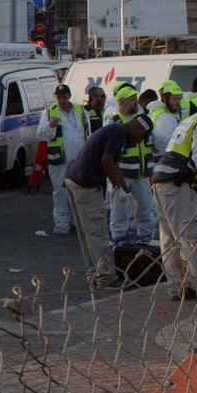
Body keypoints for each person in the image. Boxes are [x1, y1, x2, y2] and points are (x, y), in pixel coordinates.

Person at [64, 116, 153, 291]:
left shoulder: (116, 131)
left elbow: (115, 165)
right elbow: (106, 160)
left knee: (86, 234)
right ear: (138, 129)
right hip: (86, 185)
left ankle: (94, 274)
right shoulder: (118, 132)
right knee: (98, 232)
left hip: (74, 180)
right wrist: (116, 185)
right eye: (140, 138)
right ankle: (106, 277)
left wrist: (125, 191)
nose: (137, 143)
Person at [150, 101, 197, 302]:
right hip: (177, 184)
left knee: (171, 239)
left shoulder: (194, 119)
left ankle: (179, 287)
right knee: (193, 236)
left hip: (162, 181)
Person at [105, 84, 158, 245]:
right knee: (119, 208)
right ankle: (118, 236)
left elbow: (153, 142)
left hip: (141, 172)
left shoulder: (143, 119)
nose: (135, 103)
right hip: (122, 173)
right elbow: (108, 150)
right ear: (121, 103)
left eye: (136, 99)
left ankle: (145, 236)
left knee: (145, 207)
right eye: (131, 100)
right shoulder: (114, 122)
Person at [36, 84, 90, 235]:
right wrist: (49, 126)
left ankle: (76, 222)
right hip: (59, 159)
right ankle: (61, 224)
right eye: (59, 97)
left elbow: (87, 132)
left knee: (78, 190)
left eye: (64, 97)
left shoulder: (80, 111)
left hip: (79, 157)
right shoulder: (49, 112)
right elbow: (40, 135)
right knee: (60, 191)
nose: (61, 100)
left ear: (69, 96)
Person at [149, 80, 185, 157]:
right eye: (175, 99)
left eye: (179, 99)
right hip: (163, 158)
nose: (178, 102)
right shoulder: (164, 117)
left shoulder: (161, 111)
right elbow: (166, 142)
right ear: (165, 98)